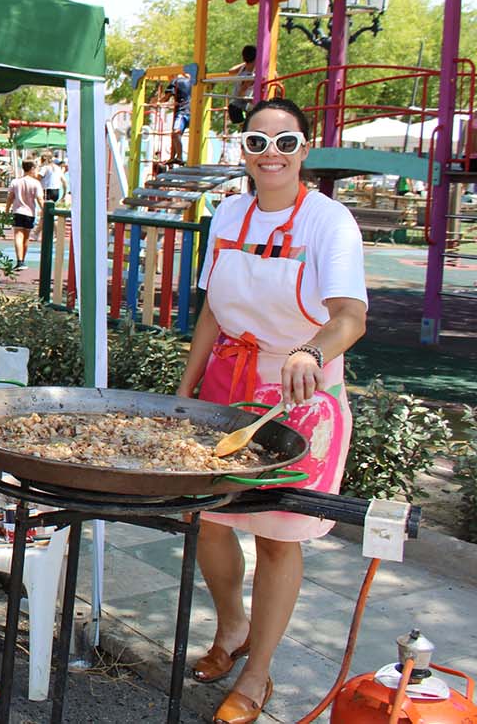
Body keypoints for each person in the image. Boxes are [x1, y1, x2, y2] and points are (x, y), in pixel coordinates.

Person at [175, 98, 367, 724]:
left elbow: (350, 317)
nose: (271, 154)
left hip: (300, 393)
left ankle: (258, 672)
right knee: (208, 519)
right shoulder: (229, 213)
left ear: (305, 149)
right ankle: (232, 628)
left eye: (285, 142)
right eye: (258, 142)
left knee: (279, 536)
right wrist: (185, 386)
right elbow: (212, 308)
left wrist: (312, 351)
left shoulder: (330, 222)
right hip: (227, 383)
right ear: (244, 151)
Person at [7, 160, 43, 272]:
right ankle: (22, 260)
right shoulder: (36, 183)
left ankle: (19, 260)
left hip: (18, 211)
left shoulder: (15, 182)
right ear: (32, 168)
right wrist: (44, 210)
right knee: (26, 237)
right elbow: (40, 199)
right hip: (29, 213)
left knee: (18, 235)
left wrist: (7, 210)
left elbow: (10, 197)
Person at [226, 45, 257, 126]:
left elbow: (231, 71)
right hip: (239, 108)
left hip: (233, 105)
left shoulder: (242, 68)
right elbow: (241, 93)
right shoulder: (250, 76)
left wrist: (245, 62)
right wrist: (254, 101)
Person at [169, 70, 193, 165]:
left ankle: (179, 157)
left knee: (176, 133)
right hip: (192, 112)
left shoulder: (175, 81)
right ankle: (172, 157)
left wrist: (157, 101)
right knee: (175, 136)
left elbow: (166, 96)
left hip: (182, 112)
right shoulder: (192, 81)